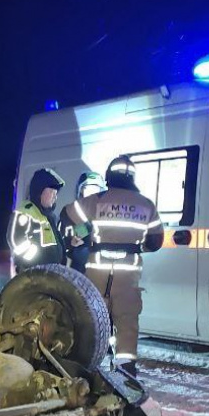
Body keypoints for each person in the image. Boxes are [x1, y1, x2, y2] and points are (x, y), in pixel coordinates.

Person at [65, 156, 164, 375]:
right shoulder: (146, 204)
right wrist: (138, 247)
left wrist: (85, 234)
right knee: (127, 319)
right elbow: (156, 242)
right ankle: (125, 368)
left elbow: (68, 214)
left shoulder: (97, 200)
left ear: (109, 176)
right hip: (128, 276)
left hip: (97, 272)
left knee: (91, 316)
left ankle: (84, 363)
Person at [9, 168, 66, 271]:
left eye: (56, 193)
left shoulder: (51, 217)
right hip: (33, 275)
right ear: (39, 191)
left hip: (52, 273)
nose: (55, 197)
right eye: (51, 192)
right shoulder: (25, 213)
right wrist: (35, 262)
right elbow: (15, 240)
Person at [59, 170, 107, 273]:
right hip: (76, 271)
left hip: (100, 270)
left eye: (96, 189)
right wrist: (72, 243)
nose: (92, 193)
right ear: (80, 191)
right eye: (88, 189)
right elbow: (61, 242)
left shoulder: (107, 215)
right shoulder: (69, 213)